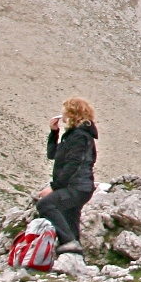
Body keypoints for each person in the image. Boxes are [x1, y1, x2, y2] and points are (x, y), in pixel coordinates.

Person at [36, 98, 97, 254]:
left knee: (45, 205)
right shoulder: (73, 135)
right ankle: (74, 254)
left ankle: (69, 242)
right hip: (80, 187)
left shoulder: (79, 136)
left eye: (65, 110)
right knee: (70, 217)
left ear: (72, 113)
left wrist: (53, 187)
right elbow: (53, 154)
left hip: (77, 187)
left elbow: (73, 165)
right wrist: (54, 132)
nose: (62, 114)